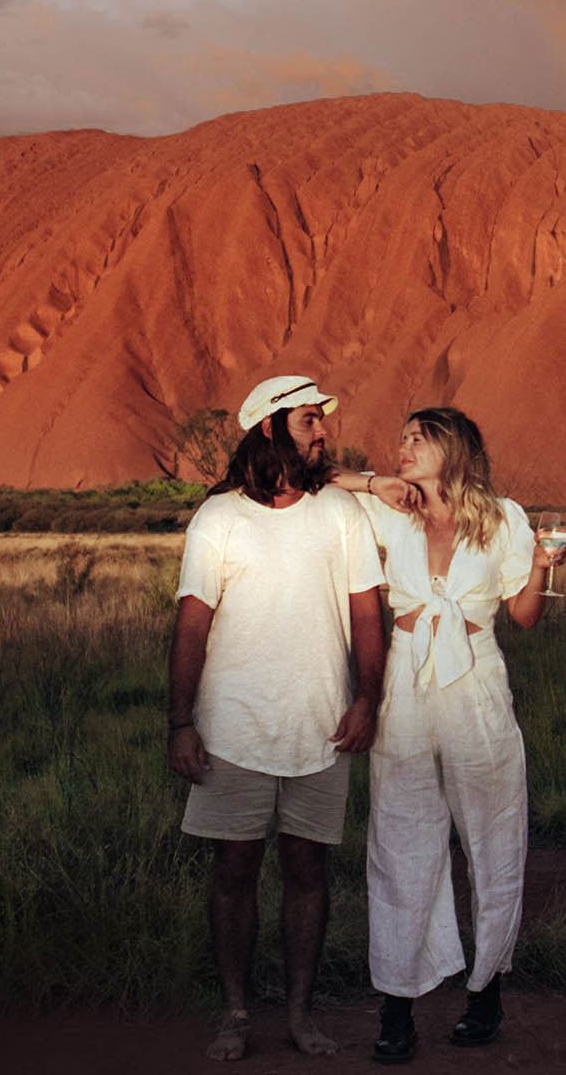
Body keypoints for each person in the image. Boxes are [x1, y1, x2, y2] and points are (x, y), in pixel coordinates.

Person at [328, 406, 566, 1064]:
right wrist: (373, 482)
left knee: (493, 835)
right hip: (407, 678)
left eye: (419, 438)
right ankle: (397, 1006)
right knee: (400, 837)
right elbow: (312, 476)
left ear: (454, 448)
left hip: (476, 681)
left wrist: (544, 565)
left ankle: (486, 988)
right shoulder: (390, 510)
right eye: (402, 437)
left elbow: (524, 615)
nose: (404, 445)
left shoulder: (504, 518)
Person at [167, 375, 387, 1061]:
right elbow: (192, 625)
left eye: (321, 419)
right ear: (269, 427)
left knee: (307, 871)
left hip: (322, 727)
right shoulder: (219, 519)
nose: (322, 431)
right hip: (232, 729)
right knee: (234, 870)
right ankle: (235, 1012)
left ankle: (299, 1013)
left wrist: (367, 699)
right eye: (308, 420)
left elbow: (368, 613)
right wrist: (180, 722)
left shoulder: (341, 513)